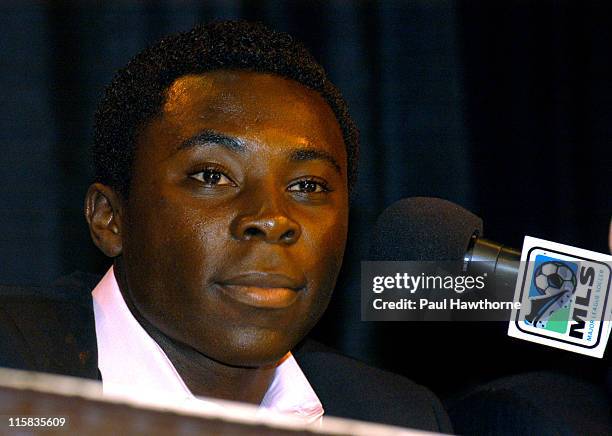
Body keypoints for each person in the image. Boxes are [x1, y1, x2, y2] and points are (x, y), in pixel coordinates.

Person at [0, 21, 451, 432]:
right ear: (110, 218)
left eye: (308, 185)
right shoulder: (15, 381)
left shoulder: (395, 418)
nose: (272, 219)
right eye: (212, 176)